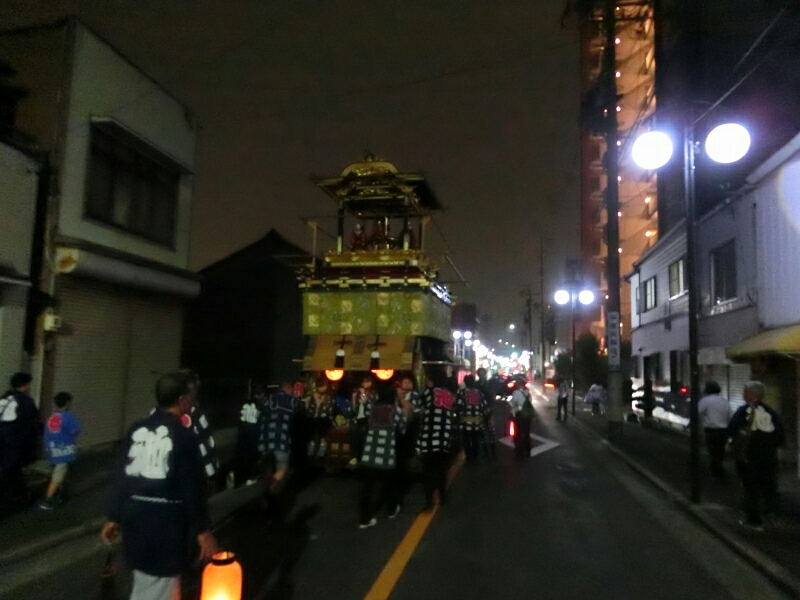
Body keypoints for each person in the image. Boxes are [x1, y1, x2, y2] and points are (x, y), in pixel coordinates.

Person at [101, 372, 218, 600]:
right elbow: (192, 486)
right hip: (164, 528)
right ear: (182, 400)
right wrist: (203, 530)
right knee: (160, 589)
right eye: (190, 398)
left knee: (147, 584)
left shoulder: (136, 429)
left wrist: (114, 515)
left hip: (134, 522)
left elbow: (123, 475)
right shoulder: (183, 436)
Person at [728, 381, 785, 531]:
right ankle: (773, 517)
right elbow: (780, 436)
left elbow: (732, 428)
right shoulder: (771, 412)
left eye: (745, 392)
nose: (743, 394)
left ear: (752, 394)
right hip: (769, 457)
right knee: (769, 488)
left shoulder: (744, 411)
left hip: (749, 456)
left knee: (751, 488)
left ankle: (754, 521)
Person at [358, 383, 411, 528]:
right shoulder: (395, 410)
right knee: (389, 484)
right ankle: (391, 510)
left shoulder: (372, 409)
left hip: (369, 453)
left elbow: (363, 421)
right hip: (386, 454)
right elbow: (403, 428)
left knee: (367, 488)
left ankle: (364, 519)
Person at [417, 372, 461, 510]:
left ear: (431, 381)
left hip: (428, 438)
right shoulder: (449, 395)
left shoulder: (427, 393)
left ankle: (429, 501)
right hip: (444, 438)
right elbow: (454, 410)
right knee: (442, 470)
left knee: (428, 472)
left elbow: (419, 409)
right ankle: (443, 497)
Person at [0, 373, 40, 510]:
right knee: (11, 472)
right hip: (14, 442)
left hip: (2, 441)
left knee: (9, 471)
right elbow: (32, 424)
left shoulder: (4, 398)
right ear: (25, 385)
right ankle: (18, 500)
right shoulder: (25, 401)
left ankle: (17, 496)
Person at [179, 370, 220, 492]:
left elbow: (206, 441)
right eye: (194, 383)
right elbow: (200, 445)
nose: (198, 385)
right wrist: (209, 473)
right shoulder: (185, 414)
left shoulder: (197, 411)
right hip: (190, 478)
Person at [40, 392, 81, 509]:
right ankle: (47, 500)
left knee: (57, 474)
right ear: (67, 403)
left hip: (52, 450)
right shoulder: (68, 417)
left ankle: (60, 494)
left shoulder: (52, 417)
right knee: (58, 476)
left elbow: (46, 434)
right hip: (63, 451)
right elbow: (75, 430)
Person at [260, 381, 298, 495]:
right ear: (288, 389)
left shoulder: (269, 398)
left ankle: (266, 487)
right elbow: (296, 416)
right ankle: (272, 487)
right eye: (292, 389)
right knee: (282, 465)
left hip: (265, 437)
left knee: (267, 464)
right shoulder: (292, 401)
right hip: (281, 437)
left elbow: (262, 411)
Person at [698, 380, 731, 479]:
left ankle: (715, 471)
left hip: (711, 430)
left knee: (712, 451)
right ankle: (718, 470)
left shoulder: (705, 400)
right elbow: (729, 415)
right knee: (720, 451)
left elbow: (698, 413)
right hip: (724, 430)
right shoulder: (724, 401)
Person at [233, 385, 264, 486]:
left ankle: (238, 480)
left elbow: (239, 420)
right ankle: (249, 477)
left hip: (243, 435)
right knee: (252, 458)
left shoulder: (245, 404)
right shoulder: (260, 407)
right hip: (253, 437)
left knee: (241, 457)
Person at [459, 375, 488, 462]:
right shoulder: (479, 393)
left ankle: (468, 457)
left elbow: (458, 405)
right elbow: (484, 407)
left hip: (465, 422)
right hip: (477, 422)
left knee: (466, 441)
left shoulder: (462, 393)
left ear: (465, 383)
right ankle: (475, 457)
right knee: (476, 440)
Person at [350, 375, 377, 467]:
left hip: (367, 419)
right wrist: (354, 398)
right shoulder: (358, 393)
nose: (365, 383)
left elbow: (369, 405)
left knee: (364, 438)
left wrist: (364, 394)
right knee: (355, 438)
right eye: (364, 381)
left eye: (367, 381)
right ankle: (355, 458)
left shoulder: (373, 394)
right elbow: (354, 409)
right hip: (357, 419)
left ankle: (363, 459)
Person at [310, 380, 334, 465]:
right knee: (314, 437)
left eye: (324, 386)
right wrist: (317, 403)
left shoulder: (328, 398)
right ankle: (312, 456)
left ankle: (319, 457)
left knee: (321, 437)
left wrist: (322, 403)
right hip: (314, 421)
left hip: (324, 421)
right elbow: (310, 412)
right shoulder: (313, 397)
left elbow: (329, 413)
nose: (322, 388)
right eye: (320, 386)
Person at [510, 379, 534, 459]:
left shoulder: (516, 392)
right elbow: (530, 400)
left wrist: (513, 407)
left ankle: (519, 451)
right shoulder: (527, 392)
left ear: (519, 384)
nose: (515, 384)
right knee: (526, 433)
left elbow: (512, 403)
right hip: (527, 415)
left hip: (519, 415)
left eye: (516, 383)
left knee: (518, 433)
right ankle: (528, 450)